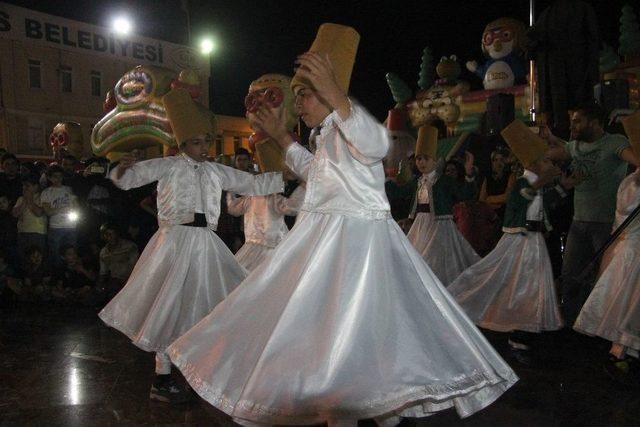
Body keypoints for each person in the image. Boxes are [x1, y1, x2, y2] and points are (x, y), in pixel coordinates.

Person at [168, 23, 516, 427]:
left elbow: (376, 144)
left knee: (355, 334)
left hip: (360, 247)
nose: (298, 104)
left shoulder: (352, 124)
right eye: (297, 96)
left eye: (304, 94)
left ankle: (365, 406)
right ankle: (351, 409)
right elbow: (316, 174)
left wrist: (335, 94)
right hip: (330, 242)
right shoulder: (327, 134)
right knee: (331, 339)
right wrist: (282, 136)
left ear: (330, 91)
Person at [98, 88, 284, 404]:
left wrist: (283, 175)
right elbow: (129, 179)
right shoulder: (168, 165)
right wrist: (121, 167)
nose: (203, 148)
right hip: (173, 242)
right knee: (167, 308)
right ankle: (162, 377)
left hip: (205, 244)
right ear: (183, 143)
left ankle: (202, 370)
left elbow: (251, 184)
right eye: (197, 142)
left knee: (209, 305)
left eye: (206, 142)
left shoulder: (215, 170)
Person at [448, 120, 564, 362]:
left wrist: (550, 221)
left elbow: (539, 208)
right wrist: (544, 180)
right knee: (516, 285)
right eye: (543, 161)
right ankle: (516, 336)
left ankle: (524, 333)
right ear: (532, 163)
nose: (547, 165)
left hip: (534, 242)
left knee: (531, 288)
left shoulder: (535, 183)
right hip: (521, 242)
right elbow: (522, 199)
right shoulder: (525, 182)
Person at [545, 103, 639, 324]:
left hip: (606, 224)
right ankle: (571, 324)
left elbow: (636, 160)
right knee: (570, 275)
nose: (573, 125)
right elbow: (547, 154)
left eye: (578, 121)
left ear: (594, 122)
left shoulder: (615, 143)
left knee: (605, 278)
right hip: (579, 222)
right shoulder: (575, 146)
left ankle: (602, 324)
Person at [574, 112, 640, 383]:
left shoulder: (629, 183)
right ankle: (619, 352)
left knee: (627, 302)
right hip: (633, 252)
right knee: (629, 303)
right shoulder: (632, 184)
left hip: (628, 250)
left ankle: (622, 351)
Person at [404, 126, 480, 286]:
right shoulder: (418, 182)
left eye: (426, 158)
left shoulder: (443, 181)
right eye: (418, 159)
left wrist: (468, 174)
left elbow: (464, 194)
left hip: (440, 227)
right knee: (414, 257)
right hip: (420, 226)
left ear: (435, 160)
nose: (421, 162)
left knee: (435, 260)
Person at [40, 165, 79, 268]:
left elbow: (76, 205)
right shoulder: (46, 192)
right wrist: (63, 209)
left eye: (60, 176)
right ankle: (58, 276)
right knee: (55, 254)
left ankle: (71, 275)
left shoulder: (69, 189)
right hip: (56, 227)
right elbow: (48, 211)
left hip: (71, 226)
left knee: (72, 254)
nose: (58, 179)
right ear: (49, 178)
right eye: (55, 176)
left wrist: (74, 209)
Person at [12, 175, 47, 266]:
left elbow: (39, 213)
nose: (24, 188)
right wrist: (25, 200)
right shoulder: (20, 199)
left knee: (37, 259)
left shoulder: (42, 197)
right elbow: (15, 214)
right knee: (23, 259)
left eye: (27, 185)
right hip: (22, 233)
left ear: (36, 186)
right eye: (23, 185)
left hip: (37, 233)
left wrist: (30, 199)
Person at [97, 222, 139, 298]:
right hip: (114, 284)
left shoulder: (130, 247)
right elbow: (103, 272)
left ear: (117, 233)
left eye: (111, 234)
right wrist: (100, 286)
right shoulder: (104, 252)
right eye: (106, 235)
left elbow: (137, 267)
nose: (109, 237)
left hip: (132, 282)